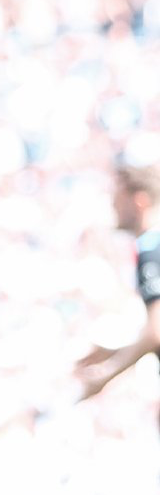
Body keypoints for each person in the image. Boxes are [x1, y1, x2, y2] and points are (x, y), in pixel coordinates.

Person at [75, 158, 160, 419]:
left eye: (118, 198)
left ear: (139, 200)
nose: (112, 205)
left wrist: (107, 374)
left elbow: (157, 330)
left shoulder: (151, 250)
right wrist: (115, 351)